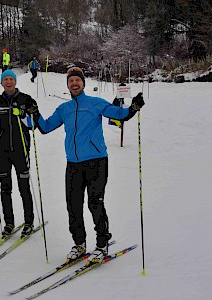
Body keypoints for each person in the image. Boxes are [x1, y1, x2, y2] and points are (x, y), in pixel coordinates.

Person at [24, 67, 145, 264]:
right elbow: (45, 127)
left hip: (96, 162)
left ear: (83, 83)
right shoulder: (64, 109)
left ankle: (102, 244)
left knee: (95, 203)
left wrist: (133, 108)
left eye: (77, 81)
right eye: (71, 81)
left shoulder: (96, 103)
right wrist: (35, 112)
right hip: (73, 165)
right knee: (73, 205)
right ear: (68, 85)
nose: (74, 84)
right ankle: (79, 243)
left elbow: (120, 115)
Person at [0, 69, 35, 238]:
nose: (8, 82)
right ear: (2, 82)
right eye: (6, 79)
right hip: (3, 151)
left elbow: (33, 124)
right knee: (5, 189)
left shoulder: (26, 99)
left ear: (15, 82)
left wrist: (23, 115)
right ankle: (9, 222)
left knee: (24, 188)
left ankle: (29, 222)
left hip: (21, 149)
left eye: (11, 79)